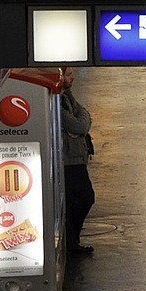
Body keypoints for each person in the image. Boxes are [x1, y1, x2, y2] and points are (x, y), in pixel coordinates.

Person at [59, 66, 96, 256]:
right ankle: (71, 241)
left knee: (76, 201)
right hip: (69, 160)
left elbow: (84, 117)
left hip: (76, 157)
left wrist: (82, 121)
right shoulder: (59, 100)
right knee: (85, 198)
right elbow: (79, 124)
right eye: (68, 74)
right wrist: (81, 123)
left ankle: (72, 240)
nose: (72, 78)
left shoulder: (67, 96)